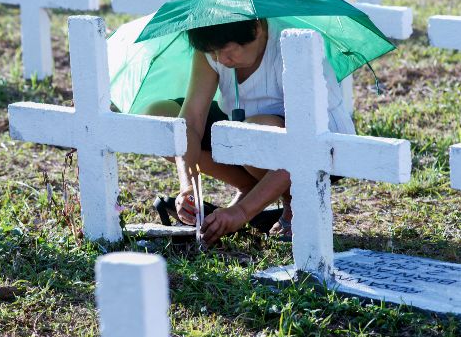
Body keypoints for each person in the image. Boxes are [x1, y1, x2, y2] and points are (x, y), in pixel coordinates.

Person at [142, 17, 355, 245]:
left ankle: (295, 202)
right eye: (212, 53)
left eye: (226, 51)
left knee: (255, 131)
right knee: (161, 119)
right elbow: (191, 122)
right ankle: (251, 187)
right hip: (242, 136)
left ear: (256, 29)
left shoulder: (293, 48)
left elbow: (304, 146)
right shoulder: (213, 50)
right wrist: (187, 186)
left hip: (319, 148)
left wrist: (242, 213)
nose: (221, 60)